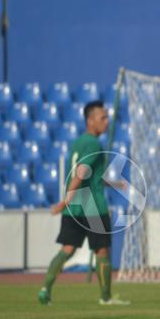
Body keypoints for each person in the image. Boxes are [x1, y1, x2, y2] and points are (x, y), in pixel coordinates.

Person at [38, 100, 129, 306]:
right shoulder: (93, 144)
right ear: (90, 121)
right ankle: (105, 297)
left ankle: (45, 289)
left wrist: (114, 183)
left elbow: (89, 175)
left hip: (76, 207)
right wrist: (65, 200)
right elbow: (80, 173)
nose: (107, 122)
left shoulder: (78, 143)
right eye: (102, 118)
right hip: (92, 206)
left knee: (67, 249)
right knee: (102, 251)